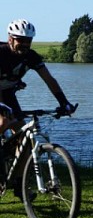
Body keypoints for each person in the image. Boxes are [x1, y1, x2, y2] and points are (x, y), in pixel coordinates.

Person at [0, 19, 77, 198]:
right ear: (10, 39)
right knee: (4, 120)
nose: (25, 44)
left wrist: (64, 102)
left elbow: (49, 79)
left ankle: (20, 185)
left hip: (7, 93)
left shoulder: (31, 56)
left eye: (28, 40)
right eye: (20, 40)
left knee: (24, 137)